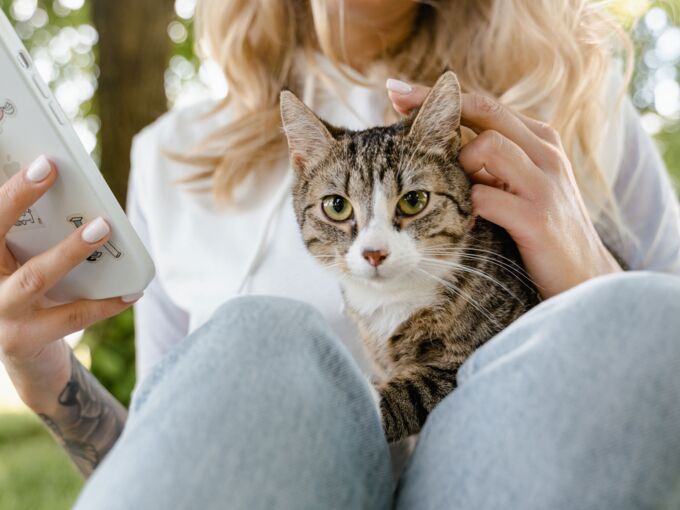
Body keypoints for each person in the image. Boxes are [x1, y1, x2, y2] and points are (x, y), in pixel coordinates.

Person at [1, 0, 680, 508]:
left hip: (517, 478)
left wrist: (592, 279)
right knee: (260, 333)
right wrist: (43, 373)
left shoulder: (574, 103)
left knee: (646, 313)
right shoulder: (168, 159)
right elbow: (173, 457)